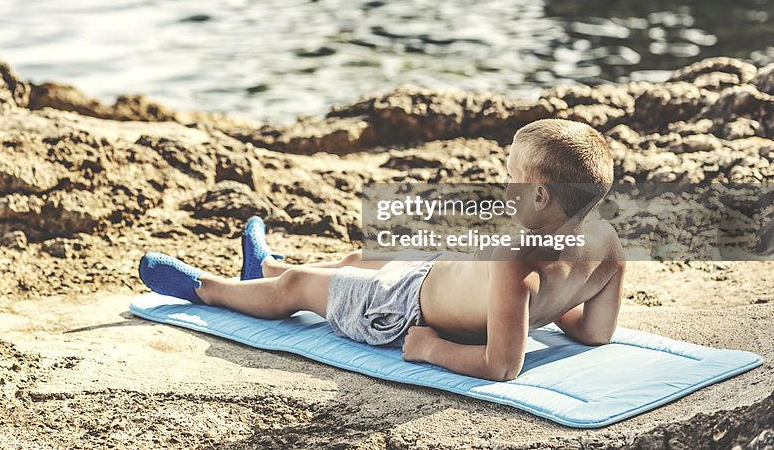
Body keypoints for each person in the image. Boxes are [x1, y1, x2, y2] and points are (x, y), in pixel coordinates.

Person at [138, 119, 625, 382]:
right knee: (355, 260)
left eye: (511, 176)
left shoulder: (518, 262)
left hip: (401, 310)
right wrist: (546, 306)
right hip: (432, 278)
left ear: (539, 197)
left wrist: (431, 347)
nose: (503, 183)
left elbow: (502, 367)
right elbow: (597, 333)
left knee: (299, 288)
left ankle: (205, 289)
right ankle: (263, 266)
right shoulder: (609, 246)